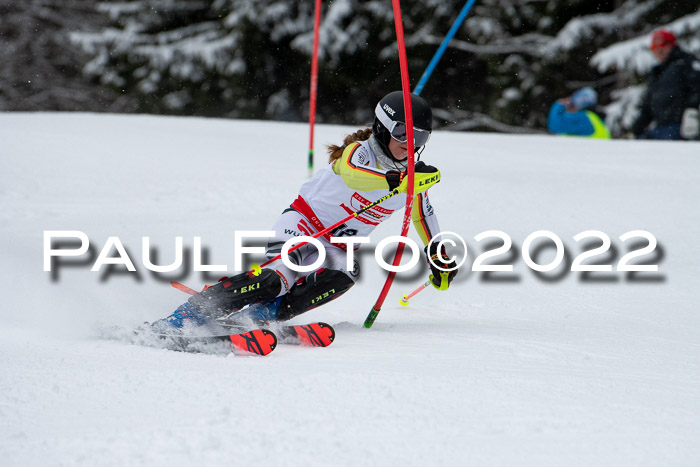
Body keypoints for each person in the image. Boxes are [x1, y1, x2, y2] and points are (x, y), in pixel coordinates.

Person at [153, 91, 458, 331]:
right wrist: (399, 180)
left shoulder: (412, 177)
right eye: (403, 133)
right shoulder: (359, 153)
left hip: (335, 246)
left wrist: (437, 253)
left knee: (346, 274)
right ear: (382, 127)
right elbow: (352, 175)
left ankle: (264, 314)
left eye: (420, 137)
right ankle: (192, 312)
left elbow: (422, 213)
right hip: (302, 227)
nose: (411, 144)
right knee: (274, 281)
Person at [631, 29, 700, 140]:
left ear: (671, 45)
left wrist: (692, 112)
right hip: (661, 127)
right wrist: (637, 128)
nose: (658, 49)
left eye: (662, 44)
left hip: (680, 127)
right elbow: (649, 104)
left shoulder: (686, 63)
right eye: (654, 46)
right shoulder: (657, 72)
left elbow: (697, 88)